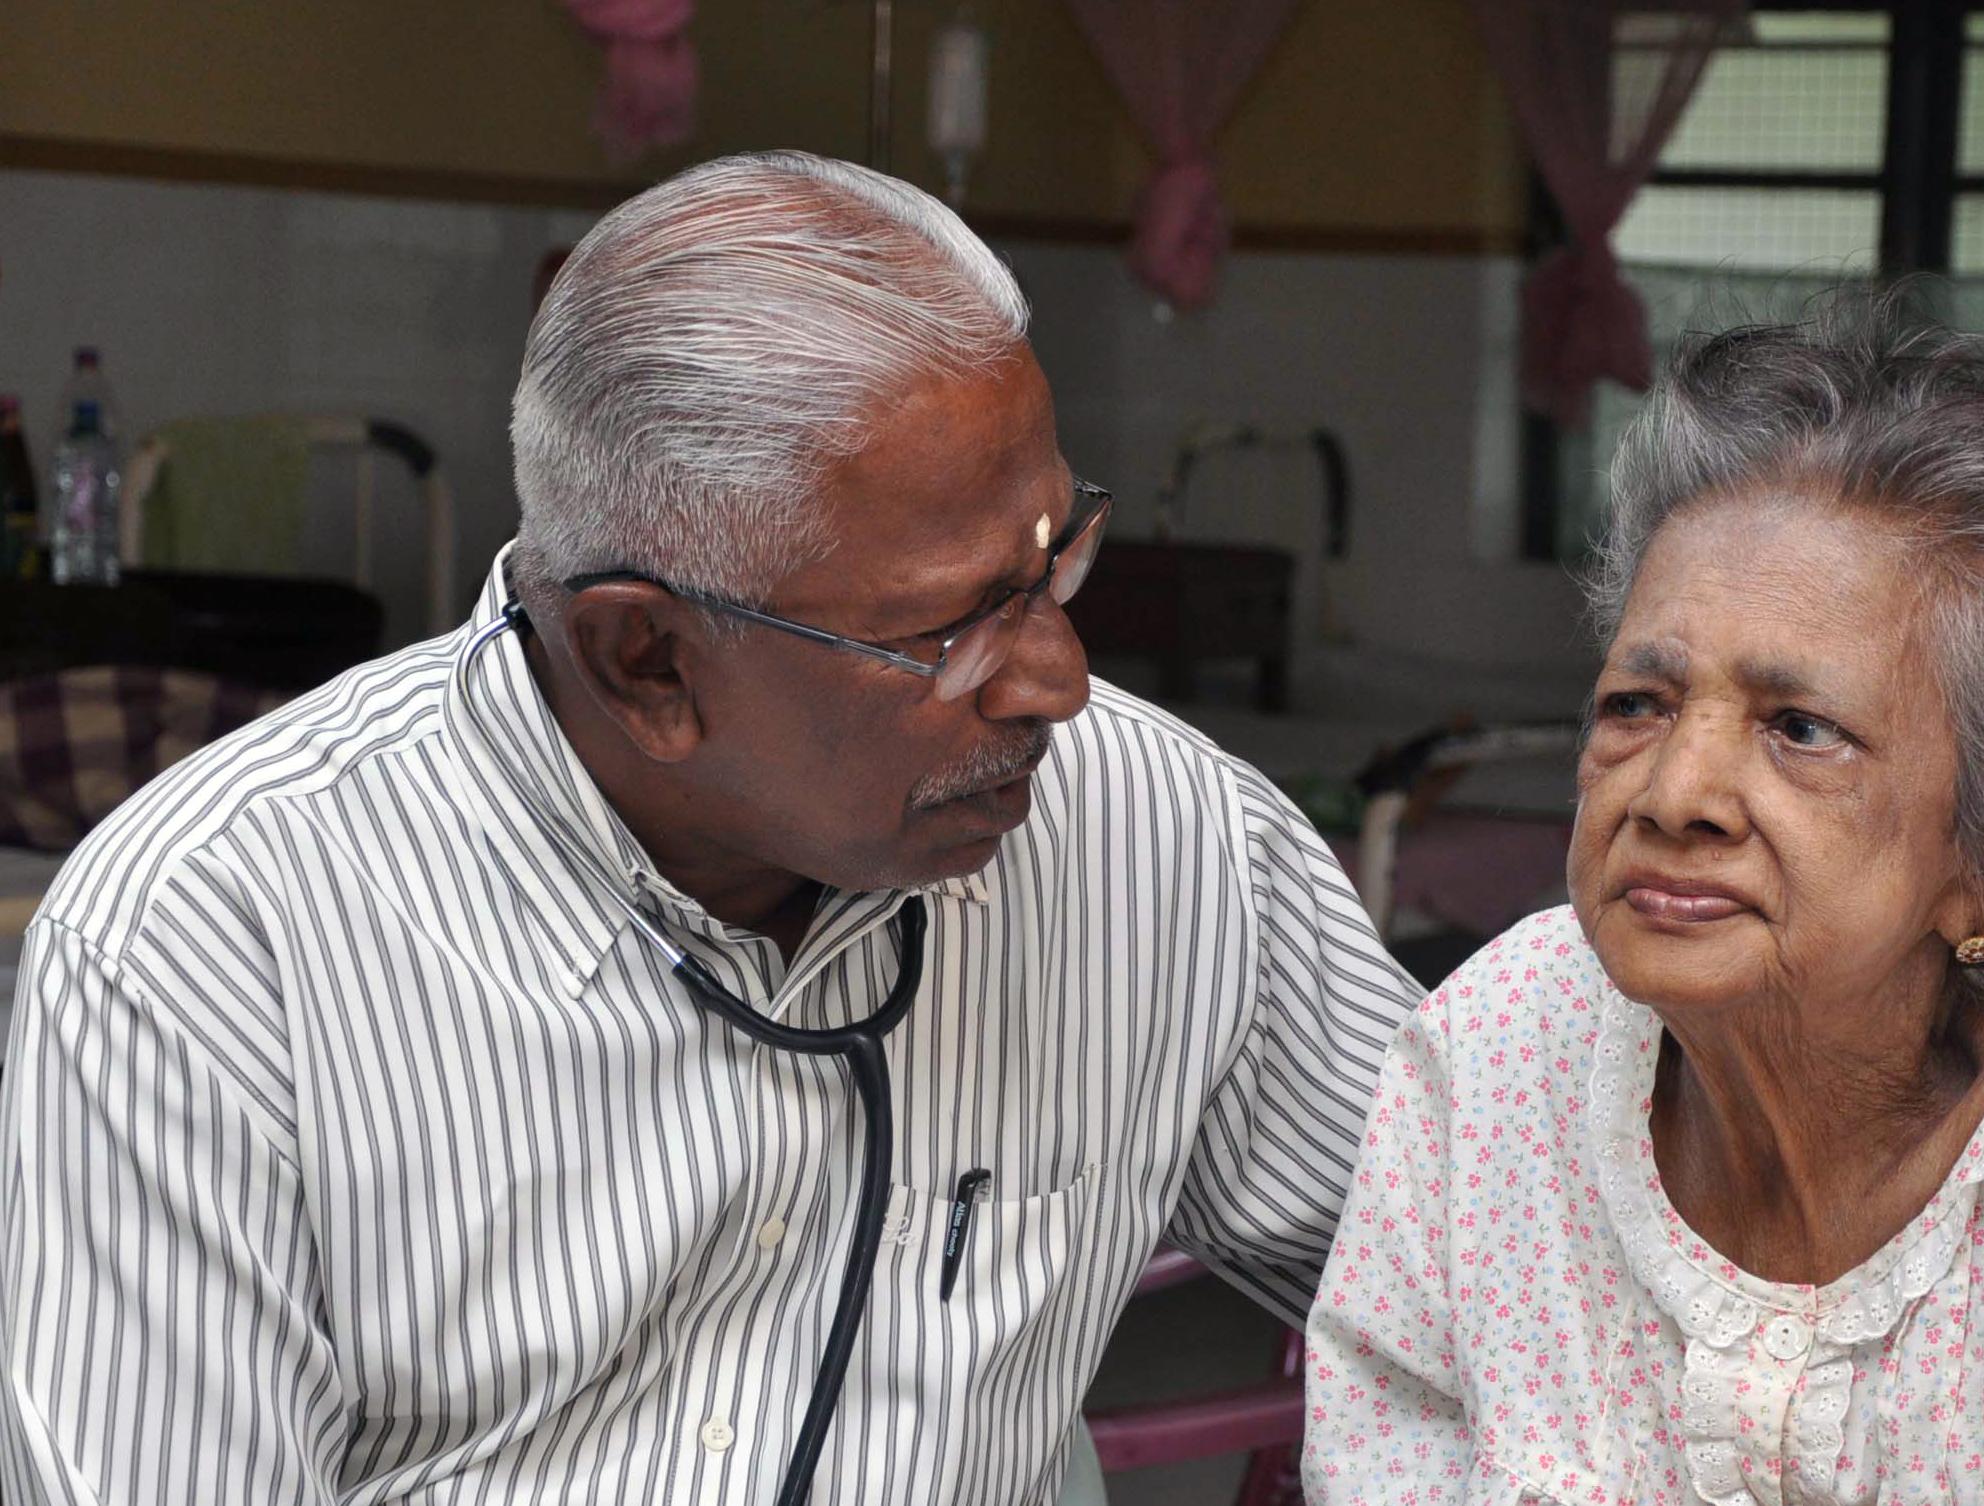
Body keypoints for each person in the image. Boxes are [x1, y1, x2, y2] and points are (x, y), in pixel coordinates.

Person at [0, 152, 1417, 1504]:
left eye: (1056, 562)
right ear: (647, 664)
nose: (1059, 681)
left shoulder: (1162, 839)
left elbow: (1515, 1282)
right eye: (956, 627)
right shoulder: (205, 952)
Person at [1304, 297, 1984, 1505]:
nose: (1676, 793)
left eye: (1800, 729)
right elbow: (1381, 1448)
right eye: (1639, 704)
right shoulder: (1507, 1038)